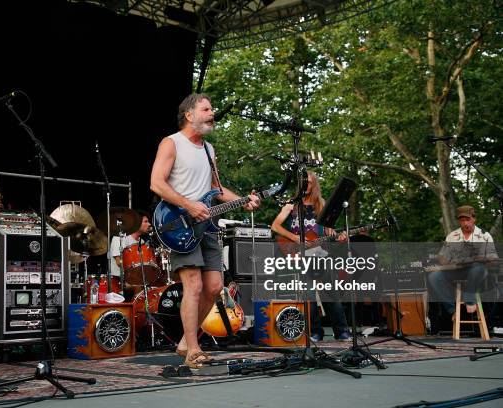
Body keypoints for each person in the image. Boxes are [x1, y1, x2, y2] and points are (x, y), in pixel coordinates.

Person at [150, 93, 260, 368]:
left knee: (214, 287)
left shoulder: (209, 150)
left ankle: (186, 342)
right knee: (194, 285)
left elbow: (217, 190)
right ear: (189, 115)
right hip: (177, 224)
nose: (212, 113)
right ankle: (193, 349)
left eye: (212, 109)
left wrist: (244, 200)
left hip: (208, 226)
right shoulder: (171, 143)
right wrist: (188, 205)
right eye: (206, 109)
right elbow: (156, 183)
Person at [271, 171, 351, 342]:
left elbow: (329, 230)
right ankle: (315, 331)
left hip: (321, 253)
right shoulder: (290, 204)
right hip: (299, 254)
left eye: (309, 182)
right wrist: (295, 238)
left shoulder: (322, 204)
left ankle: (342, 331)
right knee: (308, 294)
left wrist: (339, 236)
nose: (306, 184)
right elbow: (275, 226)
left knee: (330, 293)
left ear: (314, 184)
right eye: (303, 182)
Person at [428, 205, 498, 317]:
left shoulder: (484, 236)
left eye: (468, 219)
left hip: (477, 271)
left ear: (474, 219)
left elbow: (494, 260)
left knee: (477, 268)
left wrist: (483, 259)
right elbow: (442, 257)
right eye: (462, 220)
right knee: (434, 277)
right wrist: (445, 261)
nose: (465, 223)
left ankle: (470, 300)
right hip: (457, 270)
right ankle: (453, 310)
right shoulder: (452, 236)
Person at [109, 210, 152, 278]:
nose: (149, 224)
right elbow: (118, 262)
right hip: (120, 280)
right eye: (146, 221)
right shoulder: (120, 237)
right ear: (137, 223)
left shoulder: (142, 242)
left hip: (136, 278)